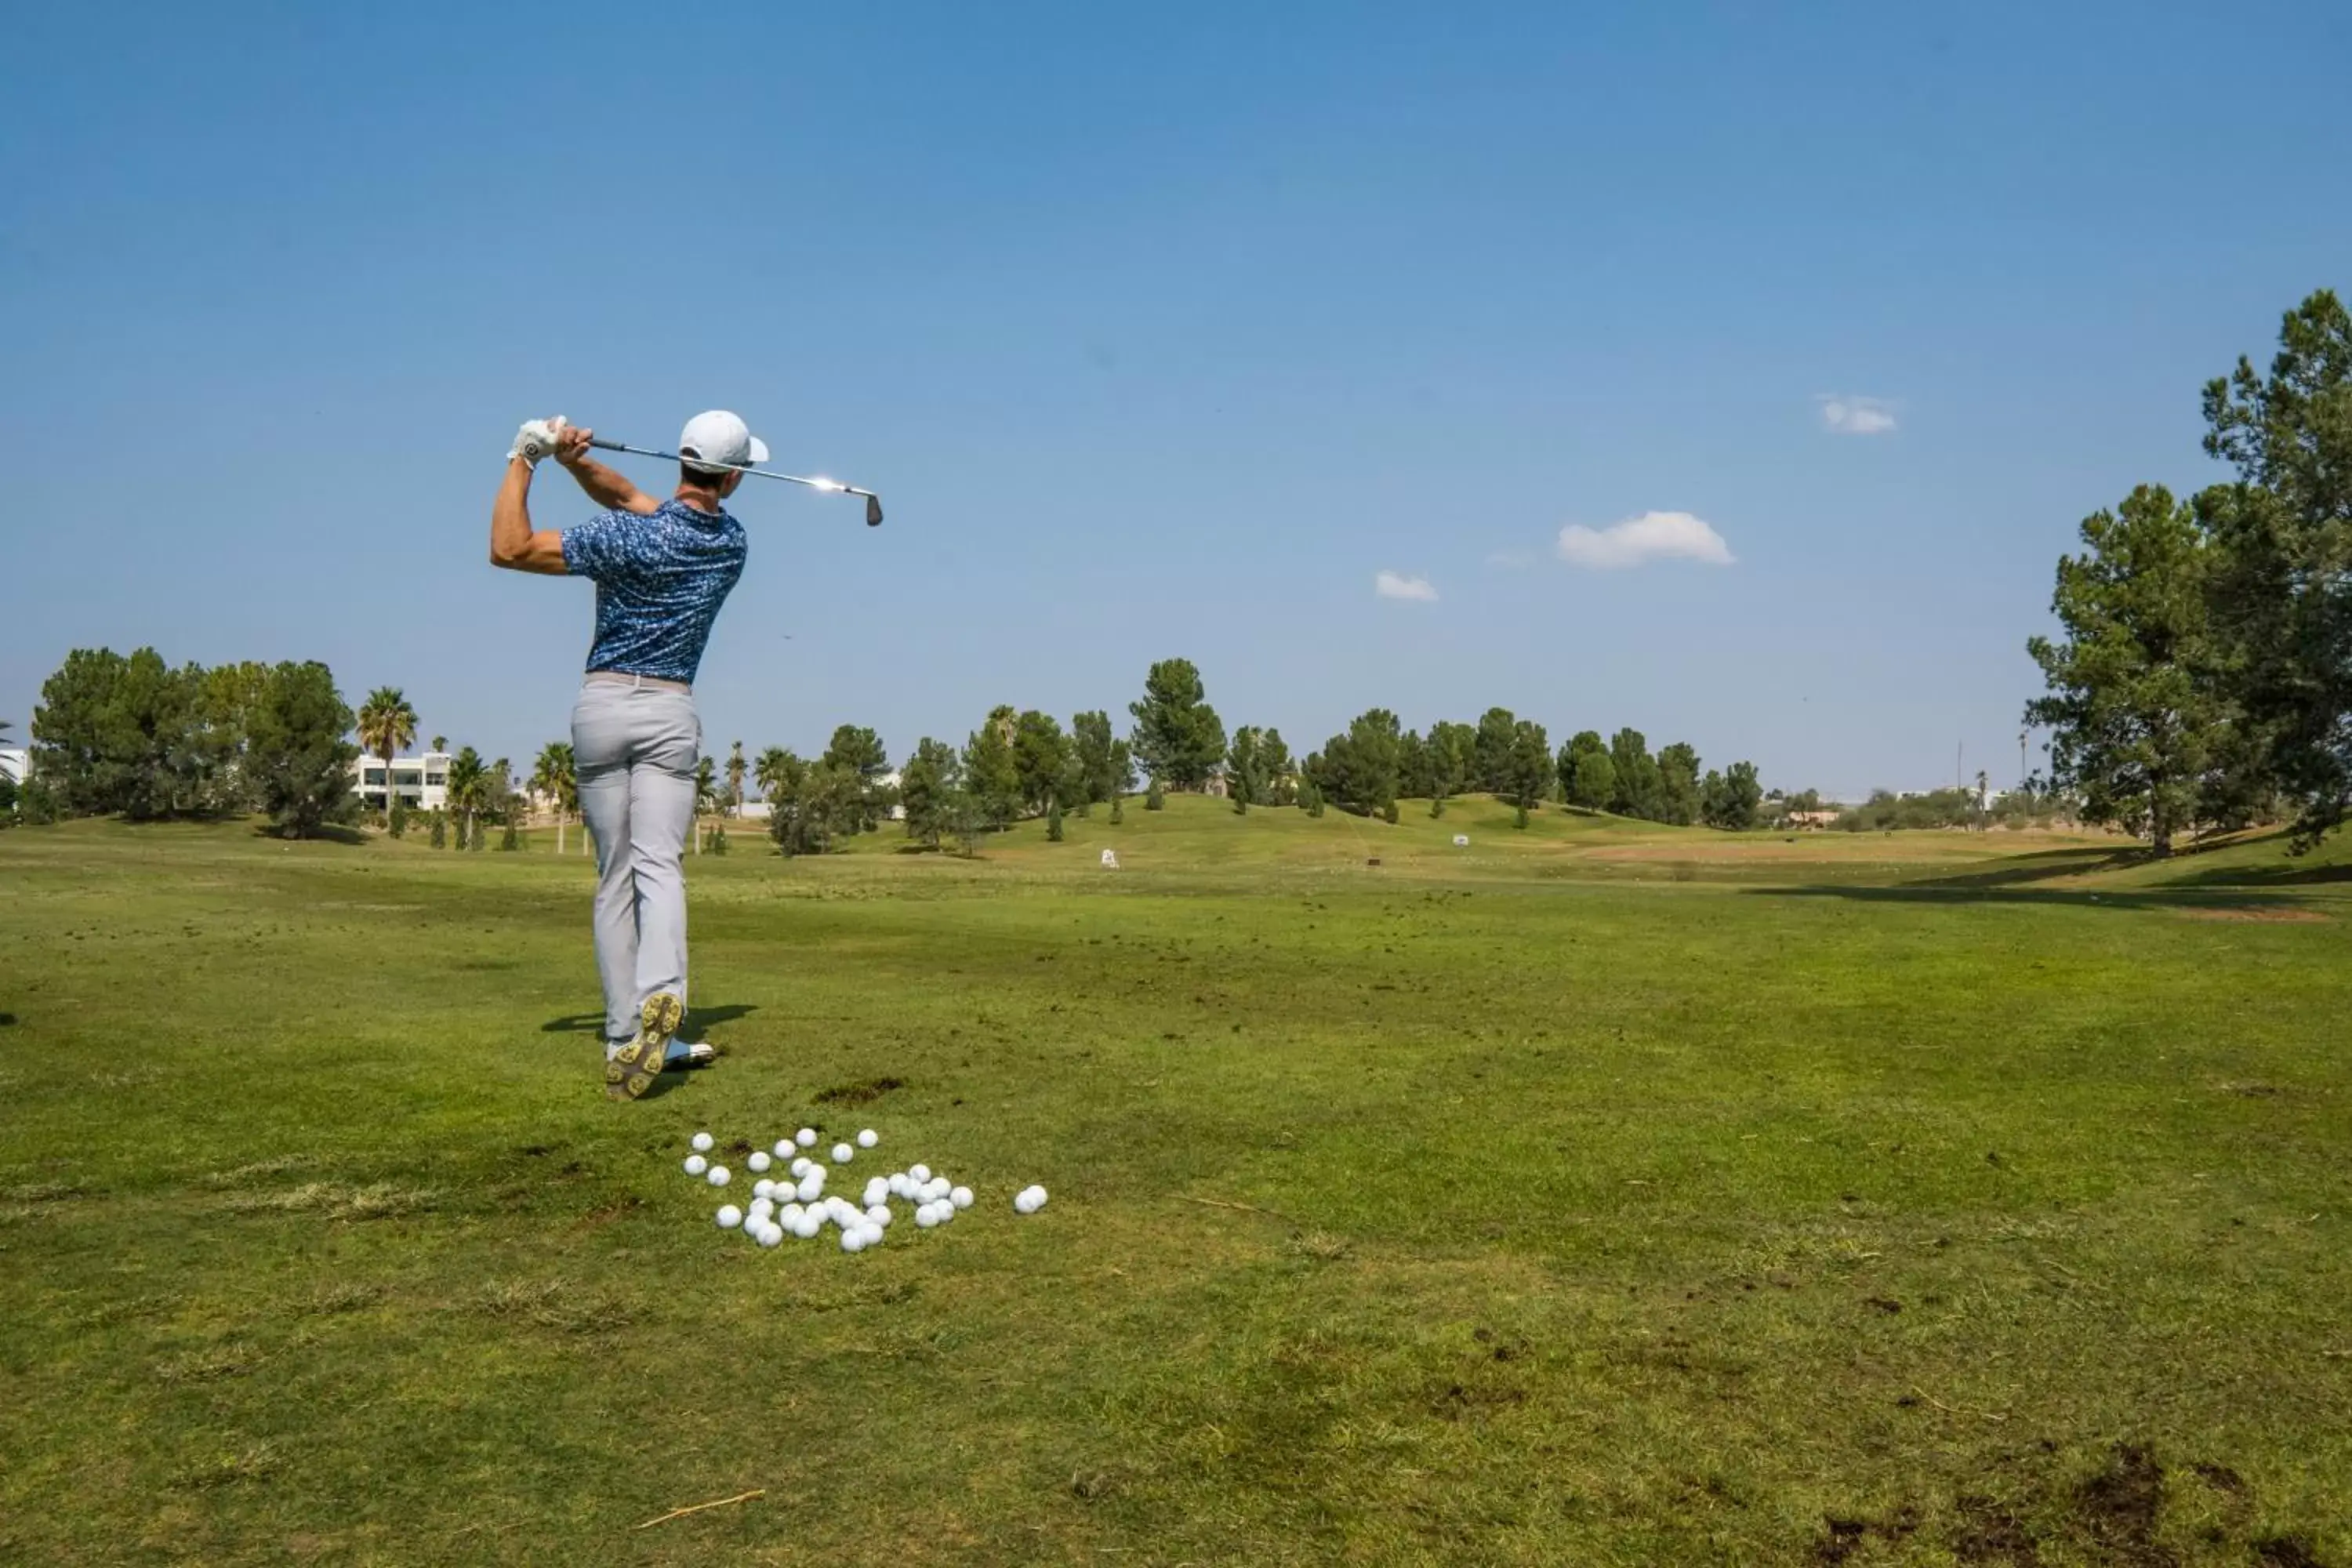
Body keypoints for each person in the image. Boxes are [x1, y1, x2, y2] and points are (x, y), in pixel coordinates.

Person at [489, 411, 760, 1098]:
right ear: (731, 477)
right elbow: (626, 496)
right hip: (670, 711)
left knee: (613, 875)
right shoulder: (730, 542)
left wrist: (527, 456)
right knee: (658, 866)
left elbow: (509, 548)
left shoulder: (627, 540)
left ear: (683, 461)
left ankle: (621, 1034)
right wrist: (578, 462)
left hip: (603, 708)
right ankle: (661, 1005)